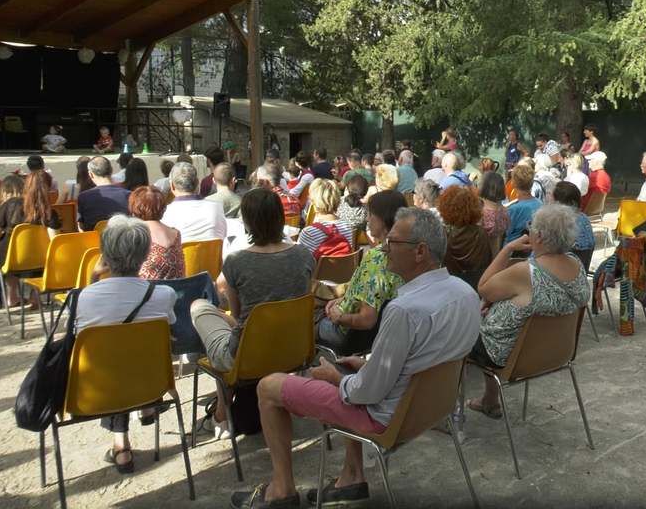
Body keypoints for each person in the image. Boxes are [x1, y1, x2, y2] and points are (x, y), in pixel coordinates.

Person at [233, 208, 479, 509]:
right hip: (428, 409)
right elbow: (423, 362)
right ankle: (351, 477)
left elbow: (367, 392)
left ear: (420, 252)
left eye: (392, 242)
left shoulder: (404, 310)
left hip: (386, 418)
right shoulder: (465, 293)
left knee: (268, 387)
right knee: (346, 368)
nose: (384, 248)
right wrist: (365, 369)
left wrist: (338, 379)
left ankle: (281, 490)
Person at [191, 189, 314, 439]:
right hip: (294, 349)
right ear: (280, 217)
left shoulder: (236, 261)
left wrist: (224, 317)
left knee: (199, 307)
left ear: (246, 222)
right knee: (226, 325)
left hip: (247, 354)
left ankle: (221, 413)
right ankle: (226, 410)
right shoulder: (304, 255)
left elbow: (237, 315)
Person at [74, 215, 178, 473]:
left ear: (105, 255)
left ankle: (121, 445)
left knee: (112, 357)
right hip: (150, 385)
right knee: (128, 355)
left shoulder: (86, 297)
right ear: (145, 254)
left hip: (98, 388)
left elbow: (80, 338)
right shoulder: (164, 294)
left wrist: (93, 277)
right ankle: (143, 414)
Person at [467, 204, 590, 417]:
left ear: (539, 236)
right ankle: (490, 400)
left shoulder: (526, 272)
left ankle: (445, 409)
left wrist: (507, 249)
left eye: (531, 226)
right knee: (498, 311)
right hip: (555, 352)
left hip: (508, 355)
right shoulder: (576, 264)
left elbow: (483, 287)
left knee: (457, 332)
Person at [316, 190, 407, 355]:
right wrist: (343, 299)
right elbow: (376, 295)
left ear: (383, 219)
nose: (367, 219)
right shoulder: (409, 254)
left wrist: (338, 317)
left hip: (349, 334)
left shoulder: (376, 259)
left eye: (370, 215)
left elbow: (367, 320)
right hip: (384, 335)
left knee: (308, 321)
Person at [0, 171, 60, 310]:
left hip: (11, 258)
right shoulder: (50, 212)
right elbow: (55, 241)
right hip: (39, 260)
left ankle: (11, 297)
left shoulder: (10, 205)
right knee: (43, 255)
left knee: (0, 255)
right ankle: (35, 295)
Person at [128, 186, 185, 281]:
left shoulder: (135, 235)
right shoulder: (176, 234)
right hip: (177, 288)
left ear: (135, 207)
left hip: (147, 288)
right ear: (163, 208)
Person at [160, 162, 226, 242]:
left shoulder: (165, 213)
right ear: (198, 183)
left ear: (172, 186)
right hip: (214, 250)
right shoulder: (217, 207)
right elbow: (224, 236)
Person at [439, 186, 492, 284]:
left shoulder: (444, 237)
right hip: (479, 283)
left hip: (455, 285)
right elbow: (488, 263)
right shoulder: (481, 233)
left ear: (446, 210)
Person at [297, 178, 355, 257]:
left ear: (313, 201)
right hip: (346, 265)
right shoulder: (348, 227)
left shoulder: (309, 232)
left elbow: (300, 259)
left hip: (316, 265)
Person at [77, 156, 130, 231]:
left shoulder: (83, 197)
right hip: (122, 236)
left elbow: (81, 227)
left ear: (90, 174)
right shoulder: (128, 195)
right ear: (111, 170)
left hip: (94, 238)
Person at [553, 181, 595, 265]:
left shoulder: (559, 223)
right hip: (581, 270)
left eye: (552, 201)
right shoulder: (584, 218)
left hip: (562, 269)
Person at [504, 164, 542, 245]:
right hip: (533, 246)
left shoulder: (513, 209)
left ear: (513, 183)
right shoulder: (540, 204)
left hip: (513, 248)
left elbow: (506, 232)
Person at [479, 171, 510, 255]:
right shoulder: (504, 211)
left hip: (484, 256)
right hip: (498, 253)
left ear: (484, 187)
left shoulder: (484, 213)